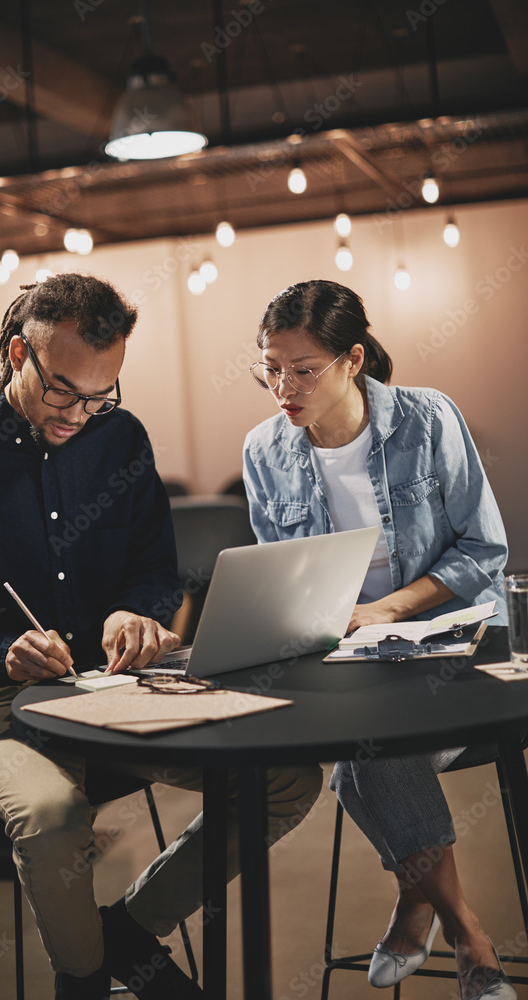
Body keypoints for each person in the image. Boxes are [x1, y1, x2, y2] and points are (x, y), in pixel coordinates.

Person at [0, 273, 323, 1000]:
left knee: (285, 779)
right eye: (63, 391)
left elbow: (156, 572)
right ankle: (81, 981)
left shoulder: (120, 439)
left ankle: (129, 929)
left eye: (100, 394)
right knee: (53, 819)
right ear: (18, 353)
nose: (79, 414)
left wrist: (135, 612)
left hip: (120, 690)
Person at [242, 279, 515, 1000]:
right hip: (349, 663)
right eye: (270, 368)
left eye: (302, 369)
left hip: (454, 645)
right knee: (366, 741)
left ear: (352, 359)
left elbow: (483, 551)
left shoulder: (427, 419)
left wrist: (386, 609)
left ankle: (432, 913)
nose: (282, 387)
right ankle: (459, 926)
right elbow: (284, 576)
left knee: (365, 760)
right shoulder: (263, 451)